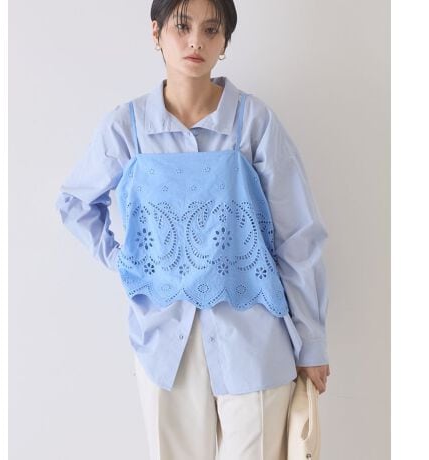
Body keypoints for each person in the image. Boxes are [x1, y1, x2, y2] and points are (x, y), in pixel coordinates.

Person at [55, 0, 331, 458]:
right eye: (182, 27)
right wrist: (127, 262)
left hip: (255, 343)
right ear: (156, 32)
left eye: (211, 30)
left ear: (225, 41)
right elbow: (76, 202)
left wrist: (312, 343)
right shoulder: (128, 128)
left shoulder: (253, 122)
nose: (195, 41)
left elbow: (298, 235)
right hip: (165, 349)